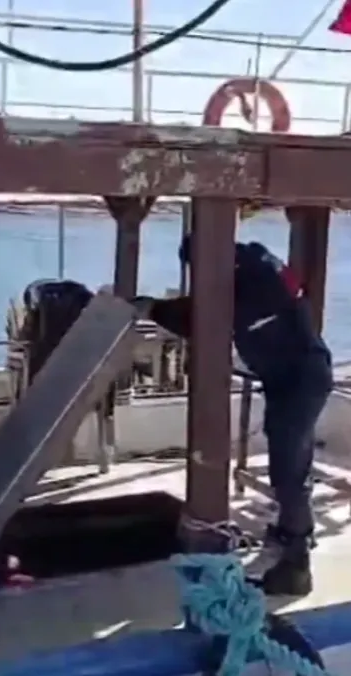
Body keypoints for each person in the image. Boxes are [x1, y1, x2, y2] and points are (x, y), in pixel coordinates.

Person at [132, 235, 333, 597]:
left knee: (289, 471)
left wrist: (155, 309)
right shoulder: (253, 267)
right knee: (290, 461)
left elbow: (209, 317)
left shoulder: (254, 279)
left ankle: (297, 566)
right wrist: (159, 308)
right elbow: (213, 309)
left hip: (301, 379)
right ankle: (290, 532)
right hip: (291, 376)